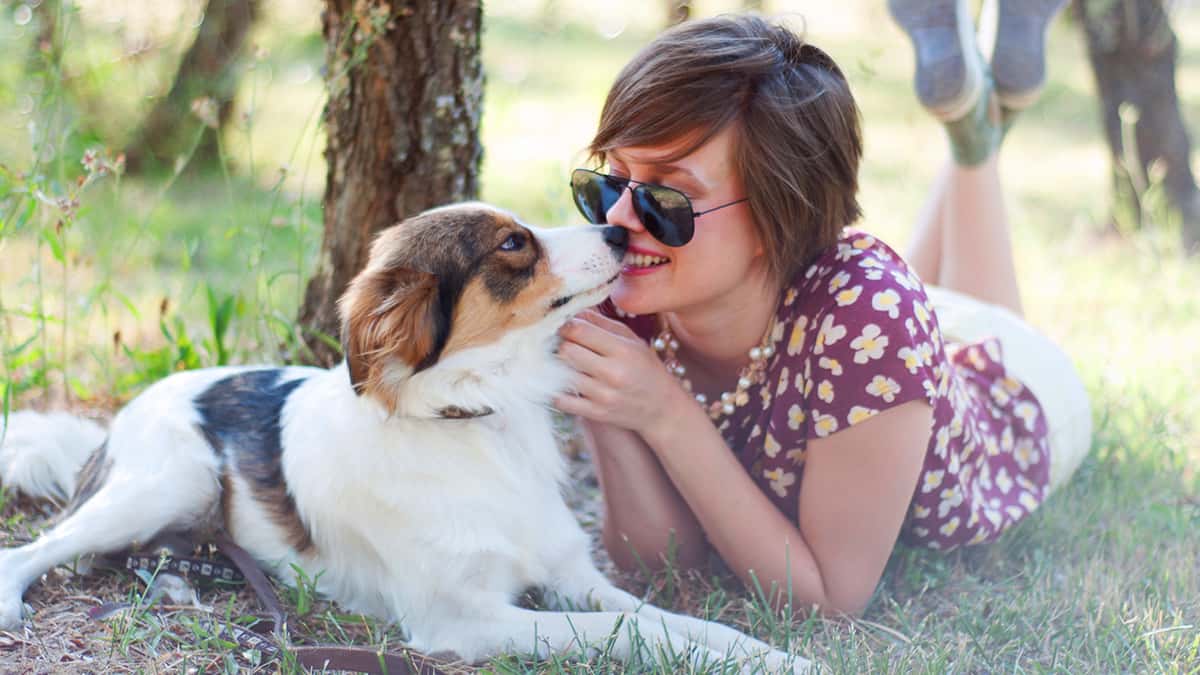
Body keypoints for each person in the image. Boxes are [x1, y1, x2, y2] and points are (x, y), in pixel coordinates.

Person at [554, 1, 1091, 617]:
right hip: (844, 319)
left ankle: (976, 136)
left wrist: (665, 412)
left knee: (951, 313)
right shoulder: (616, 278)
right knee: (895, 311)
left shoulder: (874, 322)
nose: (618, 221)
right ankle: (974, 123)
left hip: (1020, 394)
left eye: (665, 200)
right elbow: (662, 571)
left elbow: (829, 603)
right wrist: (612, 410)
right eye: (610, 182)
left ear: (778, 210)